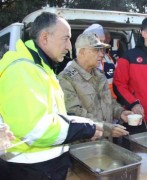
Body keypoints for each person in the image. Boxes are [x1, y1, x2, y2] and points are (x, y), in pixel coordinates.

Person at [0, 12, 104, 179]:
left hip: (43, 169)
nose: (69, 47)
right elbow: (36, 127)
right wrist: (83, 128)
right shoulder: (21, 70)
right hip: (29, 171)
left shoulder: (41, 68)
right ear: (45, 38)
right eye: (66, 39)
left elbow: (52, 115)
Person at [58, 33, 132, 139]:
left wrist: (120, 112)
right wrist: (107, 129)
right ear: (82, 52)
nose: (102, 55)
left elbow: (109, 102)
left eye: (102, 50)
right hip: (84, 146)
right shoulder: (66, 79)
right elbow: (74, 114)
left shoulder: (100, 75)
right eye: (96, 50)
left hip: (105, 142)